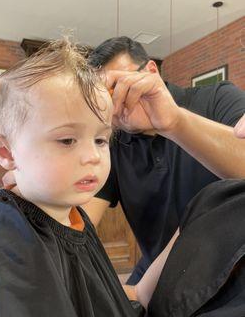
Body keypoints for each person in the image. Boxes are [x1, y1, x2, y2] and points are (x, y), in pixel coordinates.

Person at [0, 39, 156, 317]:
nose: (92, 157)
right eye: (66, 140)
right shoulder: (0, 245)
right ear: (6, 152)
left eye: (101, 138)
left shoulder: (70, 214)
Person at [83, 36, 245, 285]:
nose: (117, 107)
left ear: (150, 71)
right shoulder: (113, 144)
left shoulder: (217, 98)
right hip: (156, 275)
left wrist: (174, 123)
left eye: (121, 88)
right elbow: (81, 222)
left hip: (228, 276)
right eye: (105, 99)